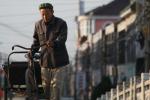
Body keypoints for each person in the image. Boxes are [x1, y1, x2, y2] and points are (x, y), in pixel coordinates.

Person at [26, 3, 69, 100]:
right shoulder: (38, 25)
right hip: (45, 62)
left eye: (47, 14)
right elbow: (36, 42)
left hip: (59, 63)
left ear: (52, 12)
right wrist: (32, 51)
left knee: (56, 87)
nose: (45, 16)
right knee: (46, 90)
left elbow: (62, 39)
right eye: (42, 14)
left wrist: (54, 43)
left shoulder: (61, 23)